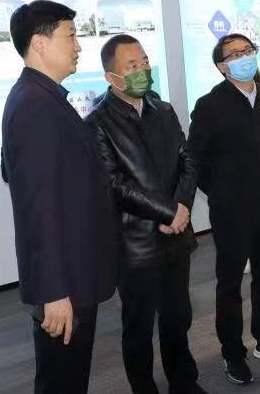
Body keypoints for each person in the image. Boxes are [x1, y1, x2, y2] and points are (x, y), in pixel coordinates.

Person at [1, 0, 118, 393]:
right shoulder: (34, 106)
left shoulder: (41, 98)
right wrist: (53, 292)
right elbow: (37, 207)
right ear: (39, 43)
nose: (78, 46)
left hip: (73, 269)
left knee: (69, 377)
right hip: (64, 279)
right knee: (61, 381)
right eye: (70, 36)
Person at [85, 34, 206, 394]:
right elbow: (114, 184)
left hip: (176, 236)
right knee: (138, 327)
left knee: (178, 317)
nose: (142, 70)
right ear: (111, 77)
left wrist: (180, 209)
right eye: (132, 65)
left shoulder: (163, 110)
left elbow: (187, 160)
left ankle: (183, 382)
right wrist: (168, 212)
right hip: (136, 245)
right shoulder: (97, 123)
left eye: (145, 62)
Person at [188, 33, 260, 387]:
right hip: (231, 212)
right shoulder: (210, 105)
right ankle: (233, 352)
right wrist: (222, 193)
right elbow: (195, 159)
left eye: (248, 51)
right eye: (235, 54)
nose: (244, 57)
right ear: (222, 67)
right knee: (229, 285)